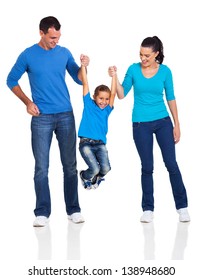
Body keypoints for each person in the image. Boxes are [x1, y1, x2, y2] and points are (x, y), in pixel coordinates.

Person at [6, 16, 90, 226]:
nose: (56, 41)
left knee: (70, 166)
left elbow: (78, 78)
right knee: (41, 167)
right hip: (41, 117)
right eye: (52, 37)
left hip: (65, 116)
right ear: (41, 33)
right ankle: (42, 212)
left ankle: (73, 209)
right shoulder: (28, 55)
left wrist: (84, 66)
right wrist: (27, 102)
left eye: (58, 37)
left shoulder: (64, 53)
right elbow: (11, 80)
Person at [108, 36, 190, 223]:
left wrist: (177, 124)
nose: (143, 58)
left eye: (147, 55)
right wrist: (114, 77)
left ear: (156, 54)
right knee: (147, 167)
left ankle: (182, 207)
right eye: (141, 54)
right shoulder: (133, 69)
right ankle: (148, 209)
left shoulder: (165, 72)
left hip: (163, 121)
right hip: (140, 123)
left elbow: (171, 98)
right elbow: (121, 95)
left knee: (171, 164)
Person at [78, 59, 117, 190]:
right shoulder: (88, 104)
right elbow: (85, 84)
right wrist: (83, 66)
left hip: (100, 143)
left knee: (106, 168)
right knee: (94, 168)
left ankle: (97, 177)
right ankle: (84, 175)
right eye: (101, 98)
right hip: (86, 143)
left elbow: (113, 93)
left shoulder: (107, 110)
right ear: (94, 97)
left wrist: (114, 76)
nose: (104, 101)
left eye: (106, 99)